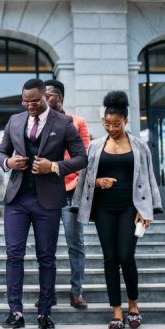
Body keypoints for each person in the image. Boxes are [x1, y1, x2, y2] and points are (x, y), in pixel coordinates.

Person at [0, 79, 88, 329]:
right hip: (17, 199)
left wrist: (55, 166)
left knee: (46, 258)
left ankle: (44, 313)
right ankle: (15, 311)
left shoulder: (64, 123)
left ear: (45, 98)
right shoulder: (15, 120)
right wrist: (8, 163)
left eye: (34, 101)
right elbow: (1, 152)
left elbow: (83, 158)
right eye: (25, 101)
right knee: (13, 255)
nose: (29, 106)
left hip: (47, 200)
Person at [72, 91, 162, 329]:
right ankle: (117, 312)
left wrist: (148, 211)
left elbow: (149, 179)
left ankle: (134, 305)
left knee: (125, 256)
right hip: (104, 208)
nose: (111, 128)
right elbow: (86, 178)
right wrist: (99, 182)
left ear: (126, 121)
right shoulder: (95, 146)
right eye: (107, 124)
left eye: (116, 124)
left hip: (130, 208)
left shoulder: (140, 146)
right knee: (109, 259)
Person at [44, 79, 90, 309]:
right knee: (46, 246)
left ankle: (76, 292)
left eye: (48, 95)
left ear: (59, 97)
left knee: (75, 243)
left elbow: (82, 157)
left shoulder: (77, 122)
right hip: (46, 192)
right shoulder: (39, 123)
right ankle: (47, 294)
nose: (44, 99)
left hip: (71, 191)